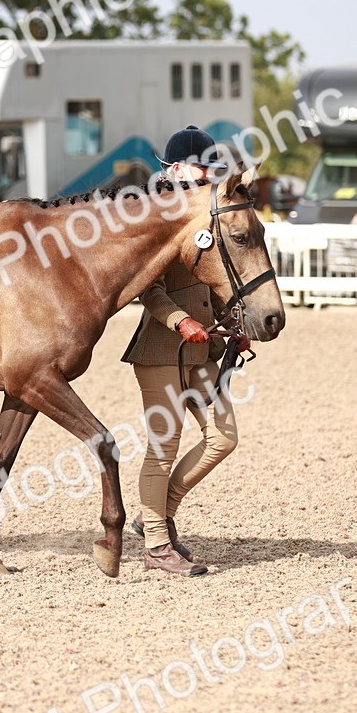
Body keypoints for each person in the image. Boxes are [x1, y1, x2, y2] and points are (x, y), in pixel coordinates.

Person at [121, 125, 250, 577]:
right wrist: (181, 321)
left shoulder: (206, 213)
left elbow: (215, 278)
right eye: (202, 168)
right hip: (160, 351)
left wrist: (233, 326)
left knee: (224, 438)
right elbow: (148, 289)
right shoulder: (156, 218)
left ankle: (156, 515)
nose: (210, 175)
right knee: (164, 447)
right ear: (176, 169)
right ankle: (157, 546)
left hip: (203, 351)